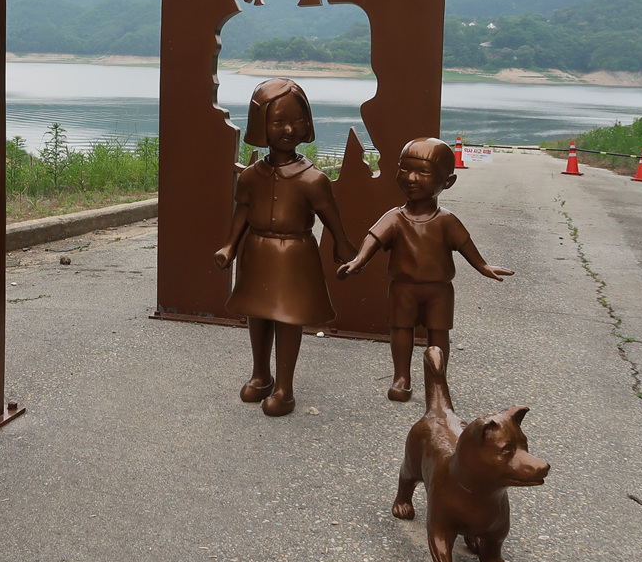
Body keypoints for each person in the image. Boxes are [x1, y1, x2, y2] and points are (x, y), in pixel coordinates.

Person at [215, 79, 356, 416]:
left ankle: (285, 388)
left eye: (297, 121)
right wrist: (230, 246)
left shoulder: (313, 179)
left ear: (307, 124)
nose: (289, 129)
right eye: (278, 122)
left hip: (295, 253)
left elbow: (330, 215)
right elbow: (243, 210)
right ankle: (261, 375)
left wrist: (342, 243)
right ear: (260, 125)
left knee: (288, 317)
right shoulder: (252, 176)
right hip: (257, 251)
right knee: (257, 313)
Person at [339, 137, 513, 401]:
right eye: (405, 169)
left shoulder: (446, 221)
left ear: (448, 182)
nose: (411, 178)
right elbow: (373, 239)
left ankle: (437, 378)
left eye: (423, 172)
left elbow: (465, 244)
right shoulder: (395, 218)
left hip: (439, 290)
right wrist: (359, 261)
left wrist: (482, 266)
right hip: (403, 288)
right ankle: (401, 377)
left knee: (438, 332)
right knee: (400, 329)